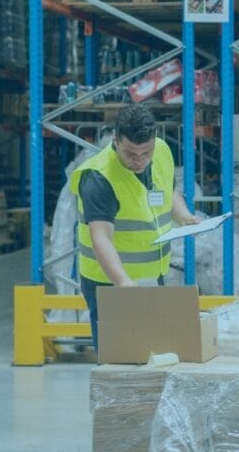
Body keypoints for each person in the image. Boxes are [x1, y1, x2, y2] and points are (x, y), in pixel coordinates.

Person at [70, 104, 200, 352]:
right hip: (109, 282)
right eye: (131, 154)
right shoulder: (98, 178)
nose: (139, 160)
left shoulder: (161, 151)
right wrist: (124, 284)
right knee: (119, 356)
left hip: (152, 275)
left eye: (145, 153)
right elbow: (101, 238)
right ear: (116, 140)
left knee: (153, 350)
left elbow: (167, 191)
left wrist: (183, 215)